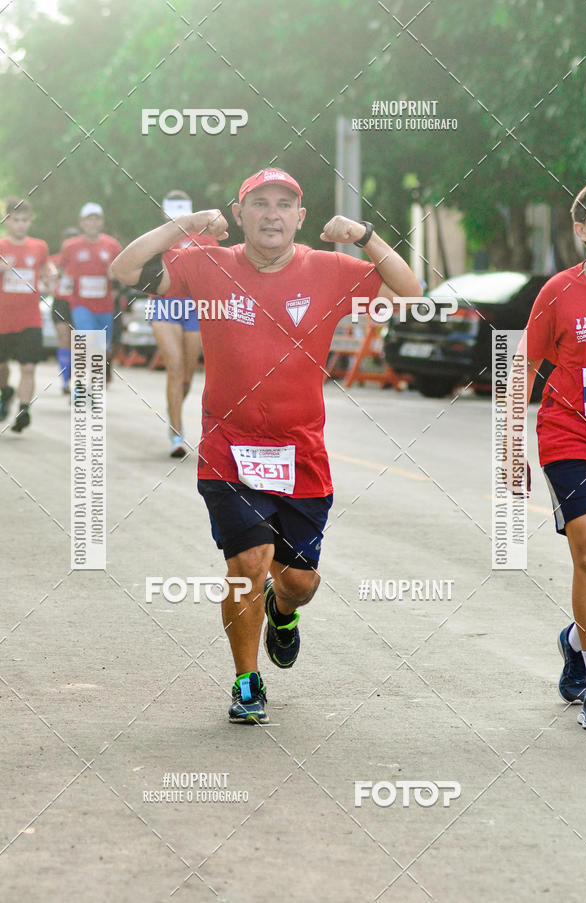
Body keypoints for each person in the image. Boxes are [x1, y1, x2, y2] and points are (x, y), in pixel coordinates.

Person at [111, 168, 422, 724]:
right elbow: (125, 268)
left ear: (300, 217)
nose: (271, 214)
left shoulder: (328, 270)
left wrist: (364, 235)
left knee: (298, 582)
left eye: (283, 204)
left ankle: (283, 610)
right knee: (247, 563)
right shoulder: (207, 263)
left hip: (301, 453)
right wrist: (184, 225)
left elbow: (411, 289)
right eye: (259, 204)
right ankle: (246, 681)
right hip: (228, 447)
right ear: (239, 214)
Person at [522, 177, 586, 730]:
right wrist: (508, 448)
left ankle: (575, 640)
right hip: (570, 437)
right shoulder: (560, 291)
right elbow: (524, 365)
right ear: (580, 229)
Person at [148, 190, 219, 457]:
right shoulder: (158, 237)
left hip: (194, 308)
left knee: (187, 376)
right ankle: (177, 435)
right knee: (175, 367)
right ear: (164, 212)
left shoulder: (206, 239)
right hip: (163, 304)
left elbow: (217, 274)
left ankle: (174, 411)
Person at [0, 197, 54, 432]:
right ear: (7, 221)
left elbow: (45, 269)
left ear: (30, 221)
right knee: (2, 367)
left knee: (28, 367)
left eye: (24, 220)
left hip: (30, 317)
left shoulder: (39, 247)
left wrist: (50, 276)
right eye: (15, 220)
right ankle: (5, 391)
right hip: (3, 318)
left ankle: (24, 410)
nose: (20, 225)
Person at [59, 203, 122, 372]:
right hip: (80, 304)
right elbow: (62, 271)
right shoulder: (70, 246)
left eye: (96, 219)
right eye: (89, 219)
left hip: (105, 306)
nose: (92, 223)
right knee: (86, 339)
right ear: (81, 222)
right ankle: (80, 386)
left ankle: (94, 386)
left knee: (101, 350)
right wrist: (65, 282)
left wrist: (115, 276)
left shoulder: (112, 245)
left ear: (102, 222)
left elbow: (122, 273)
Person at [49, 226, 79, 394]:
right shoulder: (55, 260)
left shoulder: (82, 260)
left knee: (78, 342)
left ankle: (78, 380)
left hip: (79, 304)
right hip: (60, 303)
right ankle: (65, 381)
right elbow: (45, 276)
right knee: (64, 340)